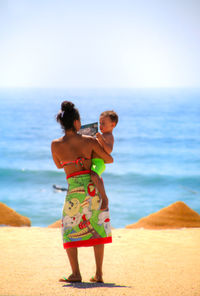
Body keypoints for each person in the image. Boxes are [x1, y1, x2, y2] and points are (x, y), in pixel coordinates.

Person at [51, 101, 113, 284]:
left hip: (74, 191)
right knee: (98, 228)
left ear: (63, 123)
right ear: (77, 123)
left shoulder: (55, 145)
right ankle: (99, 274)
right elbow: (109, 159)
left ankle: (76, 273)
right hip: (93, 190)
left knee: (69, 229)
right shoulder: (89, 141)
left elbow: (58, 165)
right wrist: (93, 150)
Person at [91, 111, 118, 211]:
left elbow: (109, 150)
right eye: (100, 123)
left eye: (103, 123)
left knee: (94, 175)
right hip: (92, 162)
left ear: (112, 125)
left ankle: (104, 197)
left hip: (98, 163)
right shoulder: (101, 135)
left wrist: (100, 139)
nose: (101, 126)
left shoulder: (109, 136)